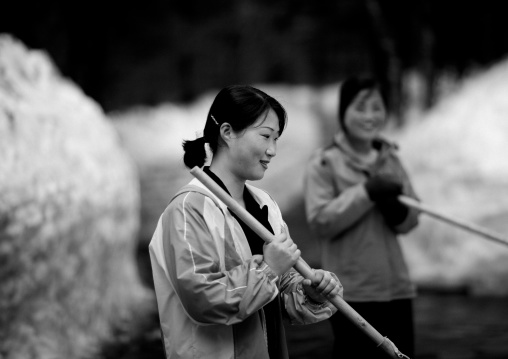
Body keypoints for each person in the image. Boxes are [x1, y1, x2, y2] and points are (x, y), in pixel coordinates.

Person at [149, 84, 343, 359]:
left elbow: (280, 292)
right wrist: (268, 269)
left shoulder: (265, 205)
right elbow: (202, 300)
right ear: (227, 132)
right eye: (265, 136)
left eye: (276, 139)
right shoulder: (187, 210)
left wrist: (310, 291)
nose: (273, 150)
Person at [303, 76, 420, 358]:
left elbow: (411, 219)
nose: (370, 116)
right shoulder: (324, 162)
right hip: (350, 295)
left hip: (397, 289)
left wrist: (399, 211)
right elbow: (321, 221)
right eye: (360, 107)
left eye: (377, 107)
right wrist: (366, 192)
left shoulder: (390, 158)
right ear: (344, 112)